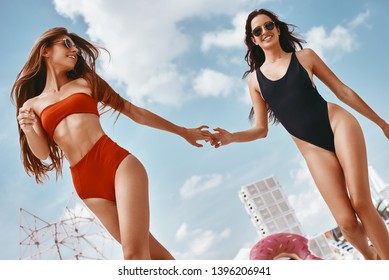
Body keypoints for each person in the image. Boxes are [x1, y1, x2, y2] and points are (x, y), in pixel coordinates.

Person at [11, 27, 212, 260]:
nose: (74, 50)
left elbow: (134, 112)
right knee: (156, 256)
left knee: (134, 255)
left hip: (116, 164)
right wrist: (29, 128)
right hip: (86, 184)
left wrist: (183, 131)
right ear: (46, 50)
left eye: (75, 46)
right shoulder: (32, 105)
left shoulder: (86, 82)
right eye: (67, 43)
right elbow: (43, 153)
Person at [210, 9, 389, 260]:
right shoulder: (255, 81)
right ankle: (372, 260)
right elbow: (261, 130)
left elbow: (343, 91)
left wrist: (381, 123)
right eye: (258, 30)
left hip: (337, 123)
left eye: (268, 25)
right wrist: (231, 137)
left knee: (361, 203)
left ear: (278, 28)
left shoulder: (305, 57)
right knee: (346, 222)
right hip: (312, 148)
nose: (265, 32)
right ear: (253, 40)